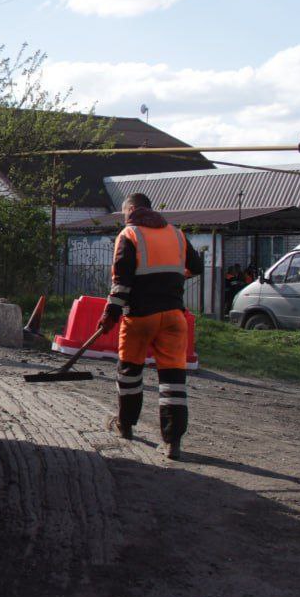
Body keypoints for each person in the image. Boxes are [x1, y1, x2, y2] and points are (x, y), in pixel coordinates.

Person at [100, 192, 204, 460]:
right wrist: (170, 278)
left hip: (140, 317)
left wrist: (110, 313)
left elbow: (121, 282)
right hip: (173, 317)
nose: (125, 218)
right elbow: (197, 266)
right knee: (173, 382)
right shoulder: (176, 234)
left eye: (125, 214)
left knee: (129, 374)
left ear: (132, 209)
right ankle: (172, 442)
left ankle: (125, 425)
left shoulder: (129, 235)